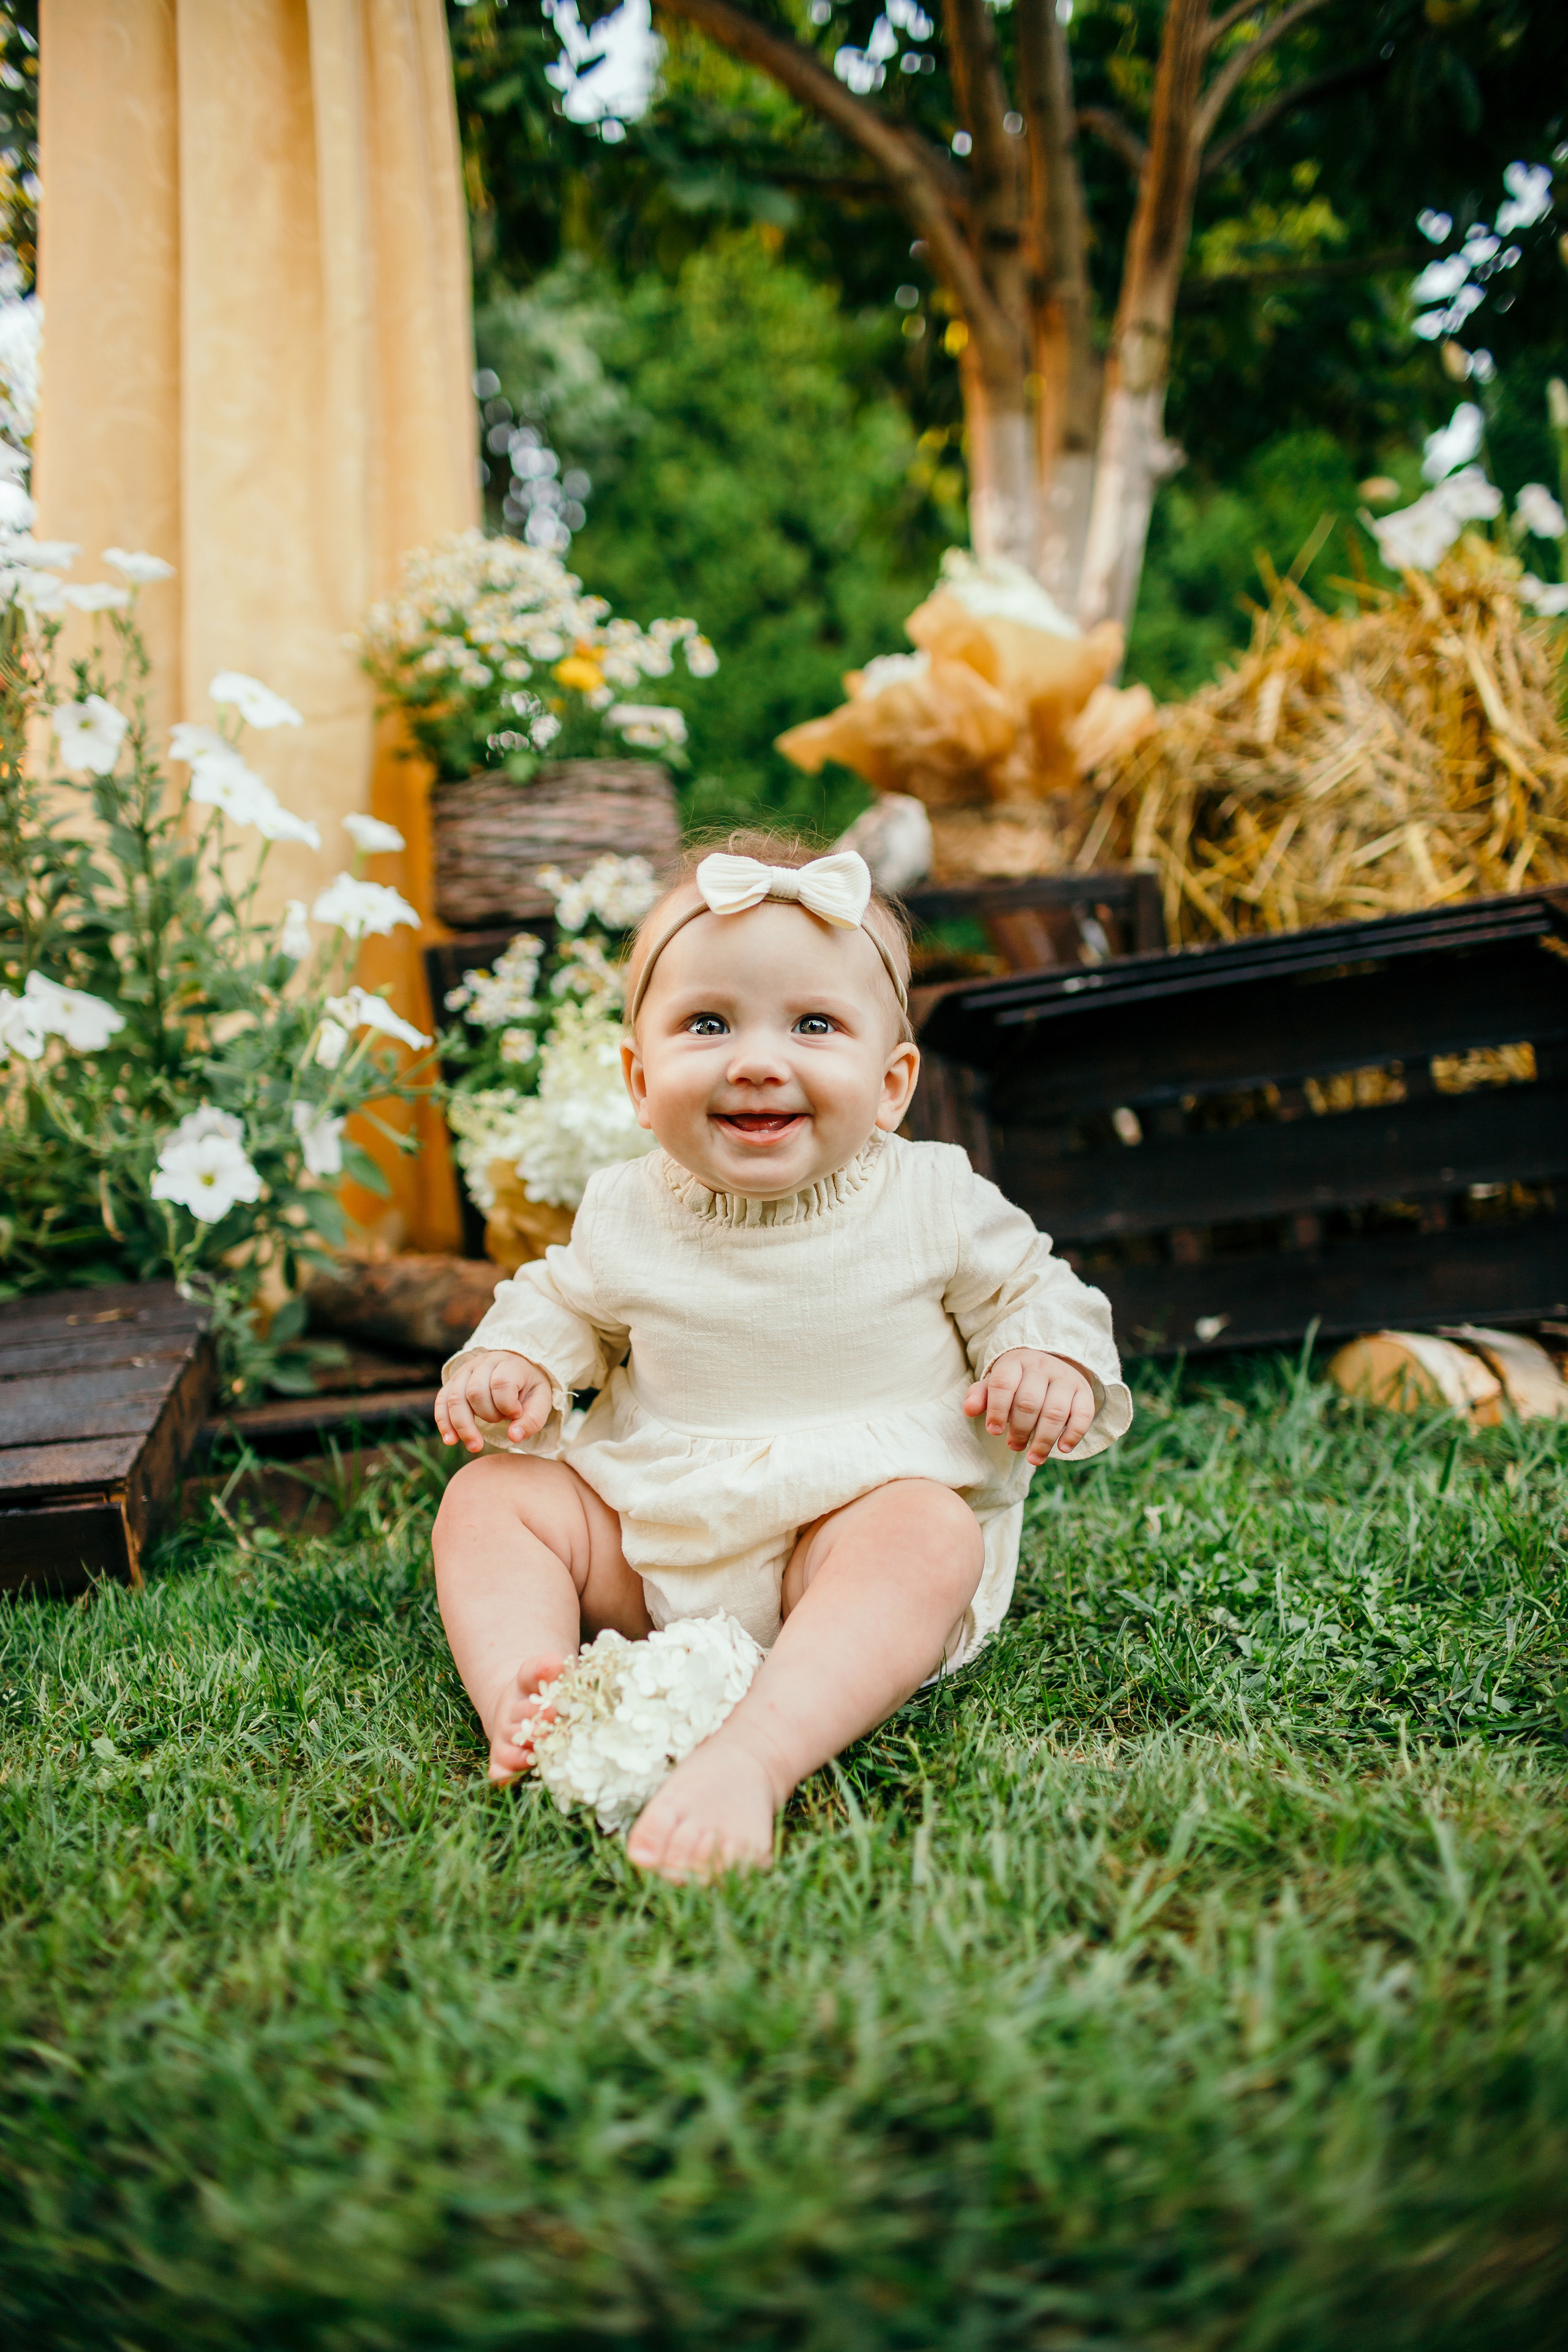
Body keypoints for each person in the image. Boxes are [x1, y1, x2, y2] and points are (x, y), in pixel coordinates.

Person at [432, 833, 1132, 1880]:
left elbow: (1037, 1292)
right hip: (654, 1535)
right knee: (490, 1499)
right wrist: (520, 1365)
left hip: (842, 1543)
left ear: (892, 1083)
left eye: (814, 1024)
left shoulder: (934, 1197)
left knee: (928, 1534)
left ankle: (756, 1756)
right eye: (707, 1023)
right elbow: (566, 1303)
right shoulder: (627, 1207)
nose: (757, 1059)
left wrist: (1046, 1362)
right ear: (637, 1076)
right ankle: (533, 1697)